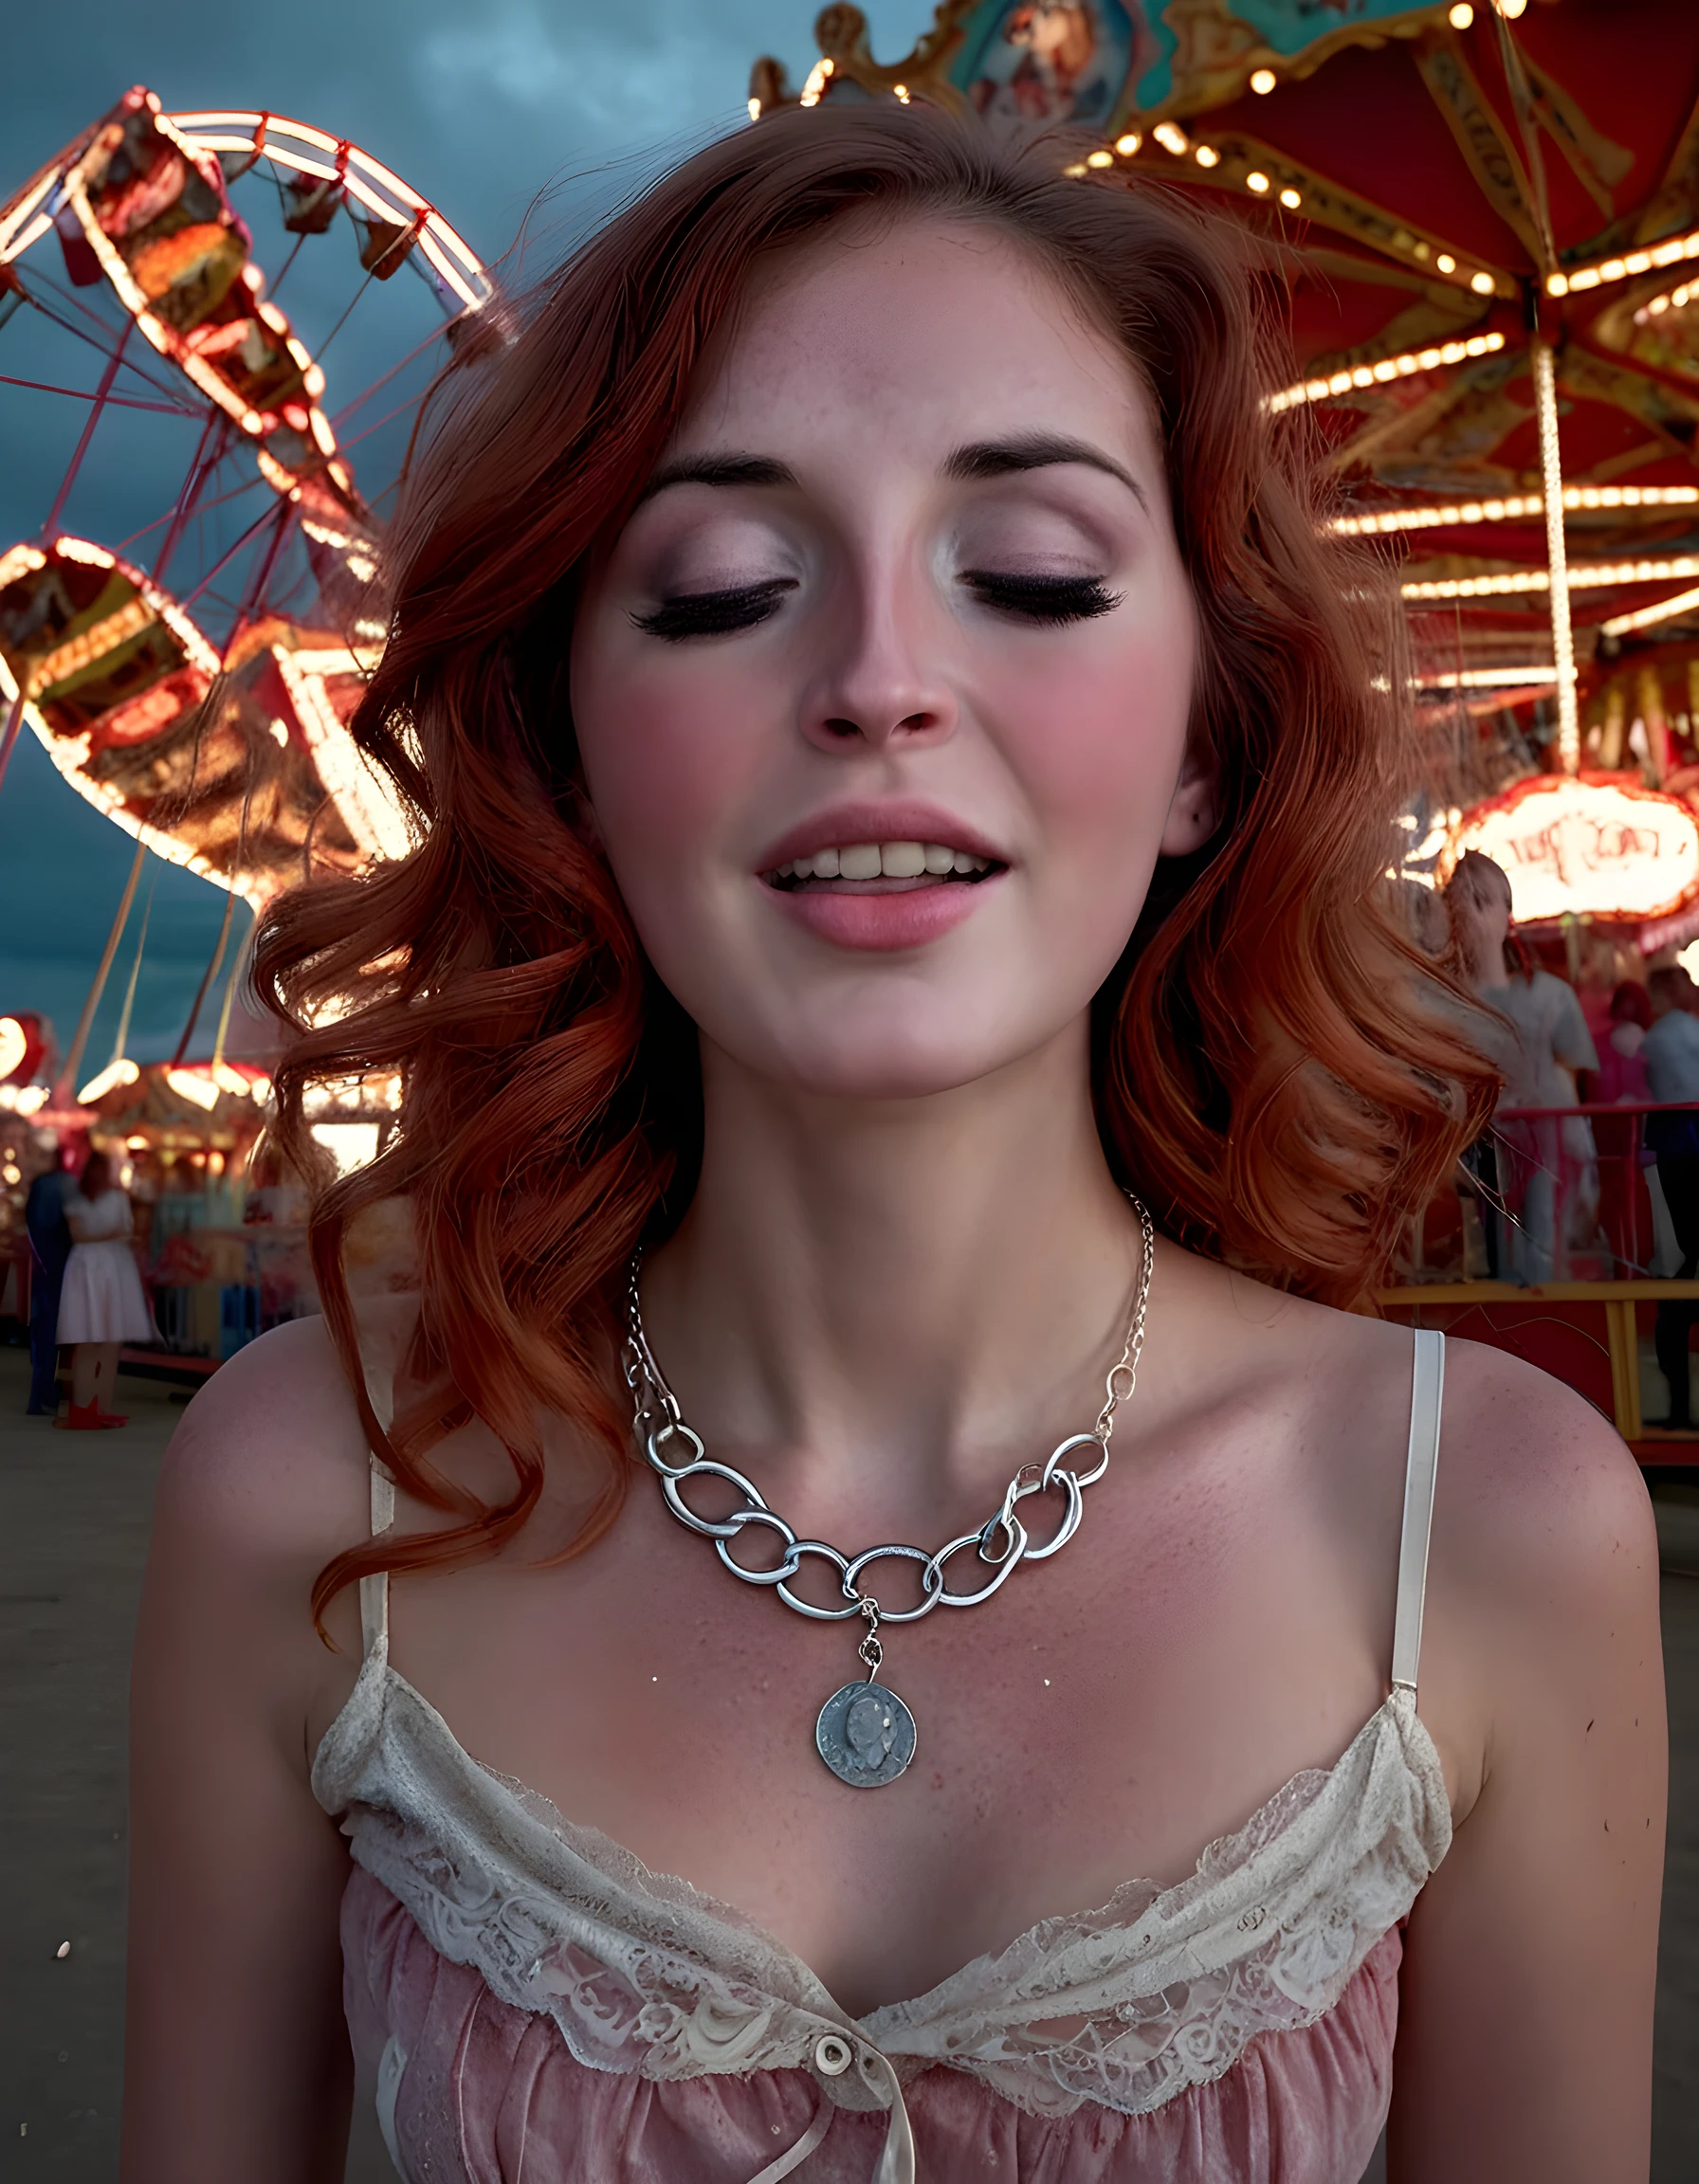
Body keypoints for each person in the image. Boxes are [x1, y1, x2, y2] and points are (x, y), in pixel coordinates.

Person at [124, 109, 1664, 2184]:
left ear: (1206, 736)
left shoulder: (1477, 1526)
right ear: (561, 746)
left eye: (1027, 574)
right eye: (724, 588)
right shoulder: (314, 1495)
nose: (874, 681)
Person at [1444, 850, 1599, 1283]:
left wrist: (1578, 1150)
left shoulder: (1550, 995)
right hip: (1481, 1143)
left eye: (1479, 900)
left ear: (1506, 913)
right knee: (1493, 1256)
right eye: (1455, 899)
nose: (1465, 913)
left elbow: (1570, 1074)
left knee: (1539, 1255)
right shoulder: (1443, 1002)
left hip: (1541, 1142)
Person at [57, 1148, 154, 1430]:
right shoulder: (117, 1198)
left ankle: (83, 1408)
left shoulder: (75, 1200)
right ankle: (101, 1406)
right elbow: (126, 1231)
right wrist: (112, 1235)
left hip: (83, 1266)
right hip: (112, 1264)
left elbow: (78, 1236)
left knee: (86, 1341)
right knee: (110, 1342)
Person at [1642, 964, 1699, 1427]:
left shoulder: (1659, 1039)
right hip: (1680, 1151)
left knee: (1673, 1312)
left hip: (1676, 1153)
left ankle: (1680, 1415)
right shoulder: (1682, 1033)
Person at [1593, 982, 1655, 1278]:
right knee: (1618, 1197)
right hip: (1611, 1132)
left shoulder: (1652, 1044)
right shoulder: (1602, 1044)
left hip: (1639, 1132)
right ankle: (1626, 1261)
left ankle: (1635, 1260)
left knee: (1635, 1198)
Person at [24, 1150, 76, 1414]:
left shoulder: (42, 1184)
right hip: (60, 1265)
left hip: (44, 1265)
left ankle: (40, 1391)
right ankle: (45, 1391)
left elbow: (31, 1222)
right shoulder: (67, 1185)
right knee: (53, 1329)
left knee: (43, 1329)